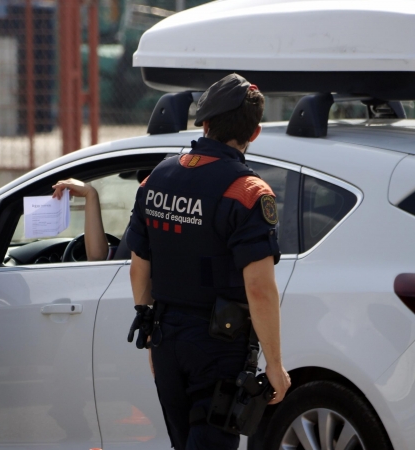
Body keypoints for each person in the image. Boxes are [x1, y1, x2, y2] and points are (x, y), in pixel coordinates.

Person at [126, 74, 291, 449]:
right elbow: (260, 289)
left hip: (166, 338)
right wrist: (276, 365)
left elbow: (139, 265)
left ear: (205, 123)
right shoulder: (248, 192)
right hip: (219, 346)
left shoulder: (156, 179)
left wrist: (152, 330)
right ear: (256, 133)